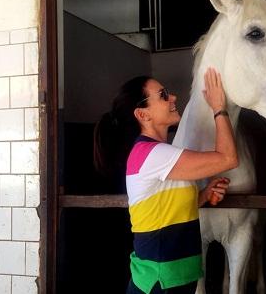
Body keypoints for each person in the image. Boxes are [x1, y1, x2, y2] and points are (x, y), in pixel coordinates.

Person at [93, 67, 238, 294]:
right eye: (163, 95)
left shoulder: (160, 154)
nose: (173, 98)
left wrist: (204, 195)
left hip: (172, 280)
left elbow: (164, 210)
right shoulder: (152, 155)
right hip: (160, 282)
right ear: (143, 114)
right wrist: (219, 108)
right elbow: (228, 158)